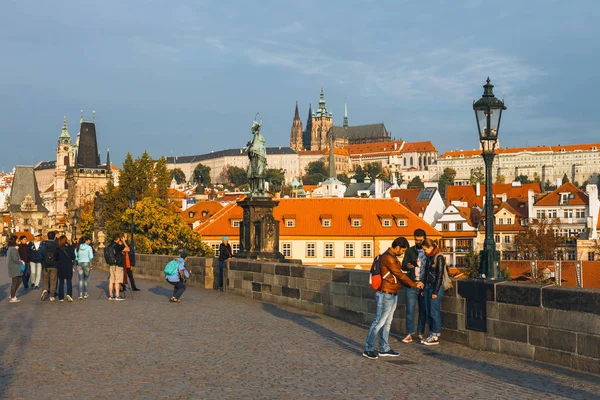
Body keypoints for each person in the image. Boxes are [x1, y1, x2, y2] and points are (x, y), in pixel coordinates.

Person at [363, 237, 424, 360]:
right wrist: (414, 284)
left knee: (387, 322)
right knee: (379, 321)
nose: (403, 253)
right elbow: (399, 275)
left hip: (391, 293)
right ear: (397, 247)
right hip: (386, 294)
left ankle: (384, 348)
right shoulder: (389, 258)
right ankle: (368, 348)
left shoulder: (392, 257)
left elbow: (399, 274)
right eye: (403, 250)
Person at [400, 228, 428, 344]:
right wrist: (409, 266)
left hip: (423, 284)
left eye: (420, 240)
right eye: (416, 240)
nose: (418, 242)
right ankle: (409, 333)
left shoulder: (427, 251)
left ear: (424, 239)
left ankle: (420, 333)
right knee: (410, 310)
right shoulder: (410, 251)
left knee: (423, 310)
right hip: (411, 284)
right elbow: (403, 266)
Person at [421, 238, 446, 346]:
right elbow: (426, 274)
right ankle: (432, 333)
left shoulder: (439, 257)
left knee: (433, 311)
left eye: (425, 249)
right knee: (428, 311)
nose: (424, 251)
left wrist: (435, 291)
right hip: (427, 287)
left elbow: (439, 275)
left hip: (435, 288)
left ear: (431, 247)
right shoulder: (429, 257)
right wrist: (423, 288)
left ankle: (436, 334)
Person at [105, 235, 125, 301]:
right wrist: (124, 242)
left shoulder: (109, 246)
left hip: (111, 264)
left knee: (111, 280)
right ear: (118, 239)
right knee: (117, 280)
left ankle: (110, 295)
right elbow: (125, 247)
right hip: (118, 264)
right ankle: (117, 295)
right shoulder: (117, 246)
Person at [40, 231, 59, 302]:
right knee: (53, 280)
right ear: (54, 237)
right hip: (54, 265)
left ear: (47, 236)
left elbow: (40, 254)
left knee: (45, 279)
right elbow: (58, 255)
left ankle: (45, 289)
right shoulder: (56, 244)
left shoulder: (44, 245)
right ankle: (51, 296)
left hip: (45, 265)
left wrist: (43, 262)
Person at [56, 235, 75, 302]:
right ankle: (69, 294)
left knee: (61, 282)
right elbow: (73, 257)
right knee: (69, 281)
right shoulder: (70, 247)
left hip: (60, 266)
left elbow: (56, 258)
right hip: (68, 266)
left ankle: (61, 297)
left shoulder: (58, 248)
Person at [7, 236, 23, 303]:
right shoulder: (13, 249)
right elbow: (15, 259)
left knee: (19, 280)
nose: (18, 241)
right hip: (14, 268)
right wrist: (21, 262)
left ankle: (12, 294)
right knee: (15, 282)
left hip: (14, 267)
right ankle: (12, 297)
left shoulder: (11, 248)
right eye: (17, 240)